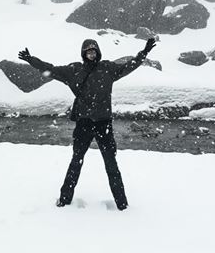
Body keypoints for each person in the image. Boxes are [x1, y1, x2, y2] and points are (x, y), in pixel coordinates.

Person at [18, 37, 156, 211]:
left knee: (111, 163)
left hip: (103, 123)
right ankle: (64, 200)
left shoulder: (108, 68)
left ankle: (122, 204)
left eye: (94, 51)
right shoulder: (74, 70)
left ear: (98, 52)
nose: (91, 54)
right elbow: (51, 70)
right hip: (84, 123)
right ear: (84, 53)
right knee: (76, 161)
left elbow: (128, 66)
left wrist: (143, 53)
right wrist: (32, 60)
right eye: (88, 51)